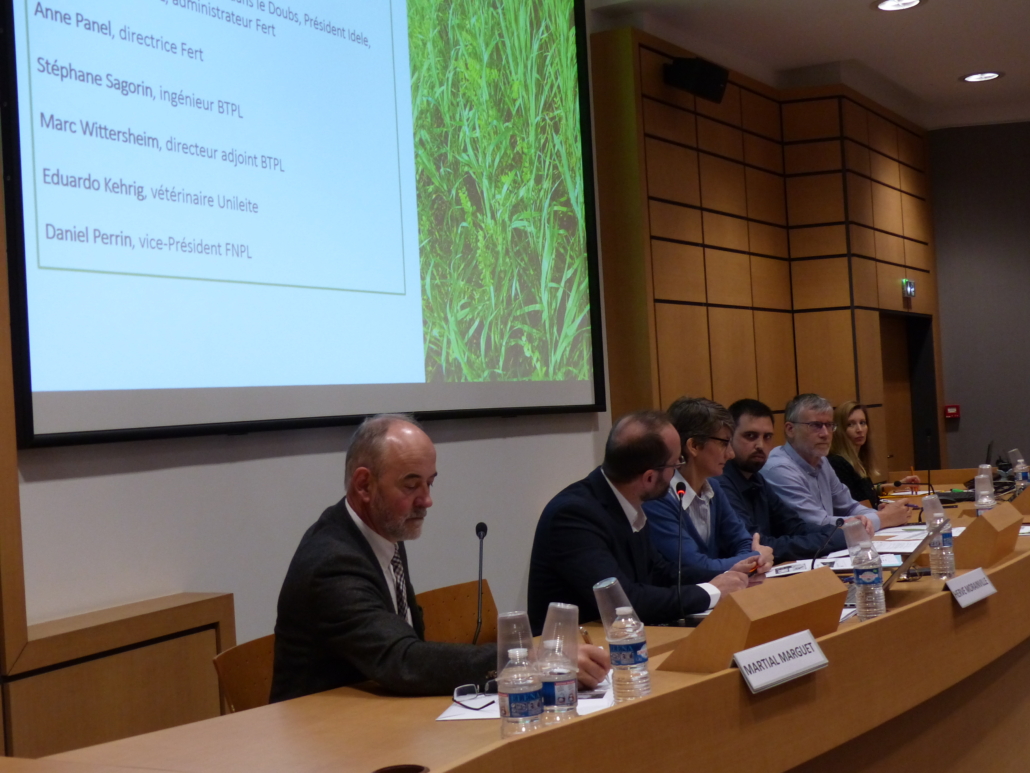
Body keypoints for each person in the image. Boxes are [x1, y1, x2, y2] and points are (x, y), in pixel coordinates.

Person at [271, 414, 609, 702]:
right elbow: (401, 660)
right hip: (321, 733)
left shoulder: (382, 531)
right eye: (411, 486)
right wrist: (529, 659)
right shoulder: (333, 563)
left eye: (429, 483)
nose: (426, 500)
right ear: (364, 485)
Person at [527, 410, 749, 633]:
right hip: (579, 645)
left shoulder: (626, 501)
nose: (677, 472)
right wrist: (712, 592)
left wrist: (728, 575)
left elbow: (660, 572)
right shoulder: (573, 516)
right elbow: (625, 602)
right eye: (675, 464)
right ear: (649, 478)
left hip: (621, 637)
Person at [716, 399, 873, 565]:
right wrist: (839, 537)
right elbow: (756, 545)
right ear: (729, 438)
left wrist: (840, 531)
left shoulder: (756, 479)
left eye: (767, 437)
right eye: (750, 436)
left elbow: (795, 527)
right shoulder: (720, 483)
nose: (760, 445)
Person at [643, 397, 772, 581]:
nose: (731, 454)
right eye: (724, 443)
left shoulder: (714, 487)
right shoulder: (659, 498)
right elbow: (694, 566)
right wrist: (757, 558)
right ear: (694, 446)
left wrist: (752, 558)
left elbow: (743, 541)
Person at [762, 394, 911, 532]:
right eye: (815, 425)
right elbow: (818, 524)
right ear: (790, 429)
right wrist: (884, 518)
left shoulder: (822, 461)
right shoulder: (778, 469)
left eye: (829, 425)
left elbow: (849, 507)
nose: (825, 434)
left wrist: (883, 514)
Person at [829, 401, 919, 508]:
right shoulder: (837, 463)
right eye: (850, 424)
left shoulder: (857, 459)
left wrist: (898, 485)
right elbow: (854, 506)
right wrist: (884, 512)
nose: (859, 430)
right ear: (839, 429)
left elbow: (867, 490)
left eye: (862, 423)